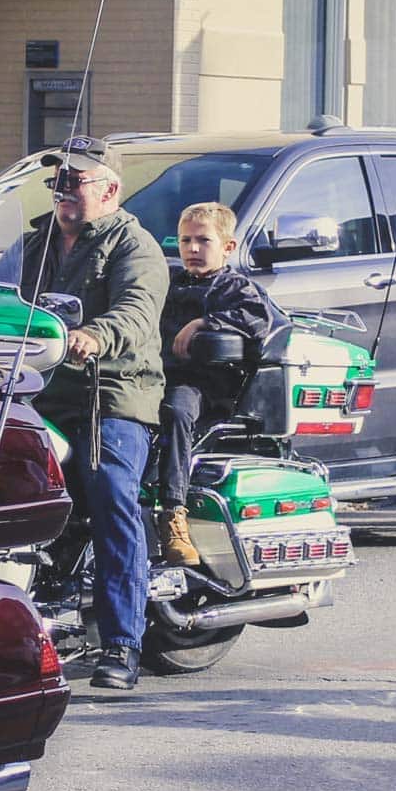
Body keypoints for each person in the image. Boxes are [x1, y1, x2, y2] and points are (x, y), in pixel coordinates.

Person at [18, 136, 167, 690]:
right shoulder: (37, 243)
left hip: (115, 394)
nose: (61, 190)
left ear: (109, 190)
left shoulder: (136, 246)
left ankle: (122, 645)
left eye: (74, 181)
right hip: (42, 390)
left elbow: (136, 311)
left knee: (109, 494)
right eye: (57, 180)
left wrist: (93, 335)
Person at [156, 201, 276, 566]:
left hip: (201, 386)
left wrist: (204, 324)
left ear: (228, 246)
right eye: (185, 240)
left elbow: (259, 320)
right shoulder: (167, 282)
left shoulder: (237, 289)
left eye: (203, 240)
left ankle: (172, 514)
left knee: (175, 411)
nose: (192, 249)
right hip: (153, 376)